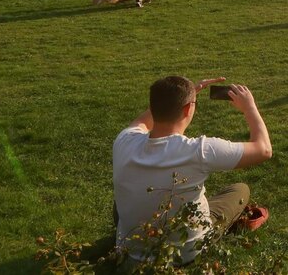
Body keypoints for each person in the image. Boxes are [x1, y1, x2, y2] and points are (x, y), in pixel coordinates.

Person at [113, 77, 272, 267]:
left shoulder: (124, 140)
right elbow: (264, 150)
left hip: (130, 252)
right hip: (185, 253)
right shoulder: (198, 151)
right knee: (240, 190)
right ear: (188, 109)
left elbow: (141, 122)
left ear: (153, 107)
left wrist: (174, 99)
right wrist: (249, 107)